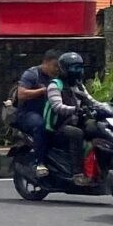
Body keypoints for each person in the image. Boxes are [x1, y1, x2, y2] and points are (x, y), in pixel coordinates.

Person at [43, 51, 93, 180]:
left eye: (80, 67)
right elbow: (57, 107)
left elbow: (91, 100)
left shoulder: (79, 85)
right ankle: (77, 173)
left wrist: (108, 107)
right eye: (74, 68)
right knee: (77, 134)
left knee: (95, 128)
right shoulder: (55, 85)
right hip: (58, 126)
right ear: (64, 69)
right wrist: (75, 109)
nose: (78, 71)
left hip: (76, 121)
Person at [13, 52, 61, 168]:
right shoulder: (32, 74)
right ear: (45, 63)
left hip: (50, 112)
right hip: (28, 113)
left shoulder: (58, 77)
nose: (56, 69)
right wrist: (43, 91)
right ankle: (39, 162)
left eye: (58, 67)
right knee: (41, 125)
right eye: (54, 65)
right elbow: (21, 94)